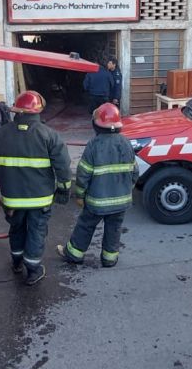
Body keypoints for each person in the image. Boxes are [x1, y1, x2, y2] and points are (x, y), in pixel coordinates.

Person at [0, 90, 71, 286]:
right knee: (36, 232)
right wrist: (64, 188)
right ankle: (33, 271)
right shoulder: (49, 135)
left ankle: (16, 263)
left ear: (16, 112)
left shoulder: (0, 134)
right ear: (38, 112)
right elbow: (63, 165)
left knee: (17, 229)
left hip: (12, 199)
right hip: (41, 199)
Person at [58, 103, 137, 268]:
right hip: (121, 201)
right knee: (114, 228)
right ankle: (109, 259)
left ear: (96, 124)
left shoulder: (94, 145)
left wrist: (79, 195)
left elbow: (83, 173)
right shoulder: (126, 143)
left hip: (97, 201)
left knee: (85, 226)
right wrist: (125, 190)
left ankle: (74, 254)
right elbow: (134, 172)